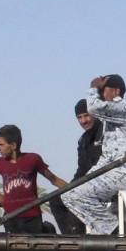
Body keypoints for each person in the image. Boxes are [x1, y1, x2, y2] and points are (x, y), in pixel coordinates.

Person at [63, 75, 126, 234]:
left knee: (74, 195)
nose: (101, 94)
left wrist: (93, 87)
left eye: (103, 90)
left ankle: (114, 232)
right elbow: (107, 156)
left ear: (116, 92)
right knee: (69, 194)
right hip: (116, 173)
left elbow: (93, 108)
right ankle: (106, 234)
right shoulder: (110, 123)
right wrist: (87, 178)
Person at [0, 124, 67, 234]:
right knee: (13, 248)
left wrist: (75, 191)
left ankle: (48, 230)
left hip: (32, 216)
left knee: (34, 247)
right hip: (10, 217)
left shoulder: (33, 159)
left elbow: (54, 179)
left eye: (1, 144)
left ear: (13, 145)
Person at [50, 98, 104, 234]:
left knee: (76, 197)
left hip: (106, 183)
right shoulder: (83, 140)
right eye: (79, 117)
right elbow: (81, 169)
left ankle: (77, 239)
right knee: (56, 199)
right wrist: (71, 187)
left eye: (86, 115)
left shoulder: (107, 132)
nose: (83, 121)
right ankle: (69, 239)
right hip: (86, 184)